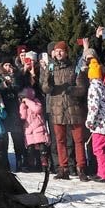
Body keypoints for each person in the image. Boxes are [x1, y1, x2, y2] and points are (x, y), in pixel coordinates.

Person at [41, 40, 89, 180]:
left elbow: (82, 89)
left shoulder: (74, 68)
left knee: (78, 140)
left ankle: (81, 168)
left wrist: (72, 90)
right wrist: (48, 79)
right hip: (57, 108)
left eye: (61, 51)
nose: (58, 53)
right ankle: (63, 168)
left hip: (73, 108)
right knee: (60, 140)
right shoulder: (50, 69)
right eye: (56, 51)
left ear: (66, 53)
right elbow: (46, 89)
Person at [84, 62, 105, 182]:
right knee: (103, 149)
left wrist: (90, 121)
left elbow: (94, 106)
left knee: (99, 149)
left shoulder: (93, 87)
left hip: (99, 124)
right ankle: (102, 172)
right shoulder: (103, 86)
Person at [17, 85, 48, 173]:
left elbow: (37, 109)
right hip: (29, 131)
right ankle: (32, 166)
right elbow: (22, 116)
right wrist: (22, 106)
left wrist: (27, 101)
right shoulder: (24, 105)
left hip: (39, 129)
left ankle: (43, 166)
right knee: (31, 151)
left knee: (42, 150)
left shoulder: (36, 102)